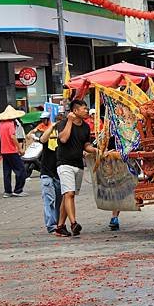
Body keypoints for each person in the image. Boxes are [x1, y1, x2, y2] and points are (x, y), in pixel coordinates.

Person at [54, 100, 97, 237]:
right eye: (84, 109)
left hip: (78, 164)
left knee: (68, 195)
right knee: (69, 194)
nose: (86, 111)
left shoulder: (85, 127)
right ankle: (73, 224)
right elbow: (64, 139)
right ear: (75, 111)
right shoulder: (62, 124)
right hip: (64, 163)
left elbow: (86, 145)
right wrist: (69, 122)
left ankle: (60, 227)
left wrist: (95, 150)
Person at [0, 105, 28, 198]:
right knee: (21, 170)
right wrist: (20, 148)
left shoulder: (0, 125)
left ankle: (7, 191)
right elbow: (13, 137)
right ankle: (18, 190)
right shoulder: (11, 124)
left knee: (7, 172)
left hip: (4, 151)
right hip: (12, 151)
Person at [39, 119, 62, 233]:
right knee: (49, 200)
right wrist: (52, 127)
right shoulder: (49, 135)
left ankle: (58, 224)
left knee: (59, 202)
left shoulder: (63, 137)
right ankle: (51, 225)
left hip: (59, 174)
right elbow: (42, 139)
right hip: (47, 174)